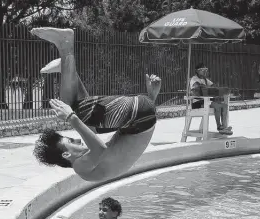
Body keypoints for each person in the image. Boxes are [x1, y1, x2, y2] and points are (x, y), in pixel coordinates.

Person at [31, 27, 162, 182]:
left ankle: (67, 68)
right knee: (71, 108)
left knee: (87, 118)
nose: (77, 140)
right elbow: (100, 149)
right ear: (66, 154)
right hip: (138, 117)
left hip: (142, 117)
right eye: (71, 141)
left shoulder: (90, 162)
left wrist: (151, 97)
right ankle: (65, 45)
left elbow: (134, 139)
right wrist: (71, 117)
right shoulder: (81, 168)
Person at [190, 63, 233, 135]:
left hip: (207, 102)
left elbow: (213, 87)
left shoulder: (205, 80)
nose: (204, 72)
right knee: (218, 106)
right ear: (197, 71)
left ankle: (224, 126)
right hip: (197, 103)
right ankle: (219, 127)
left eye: (205, 70)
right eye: (202, 70)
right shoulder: (194, 79)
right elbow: (198, 88)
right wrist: (207, 88)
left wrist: (222, 90)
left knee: (224, 106)